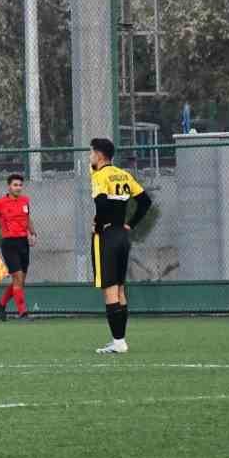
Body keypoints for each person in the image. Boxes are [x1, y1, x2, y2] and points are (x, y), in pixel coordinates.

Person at [89, 137, 152, 354]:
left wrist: (98, 225)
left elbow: (102, 203)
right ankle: (120, 339)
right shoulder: (124, 174)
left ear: (99, 155)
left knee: (110, 290)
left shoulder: (100, 175)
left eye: (91, 153)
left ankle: (118, 343)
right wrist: (130, 224)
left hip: (106, 236)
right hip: (122, 236)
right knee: (120, 289)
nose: (90, 157)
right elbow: (145, 201)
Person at [0, 173, 37, 321]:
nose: (18, 188)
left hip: (23, 243)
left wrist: (33, 233)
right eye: (15, 185)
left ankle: (1, 304)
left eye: (20, 185)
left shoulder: (25, 201)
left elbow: (27, 219)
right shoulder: (0, 203)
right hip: (9, 244)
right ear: (9, 186)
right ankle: (23, 312)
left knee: (20, 281)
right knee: (18, 277)